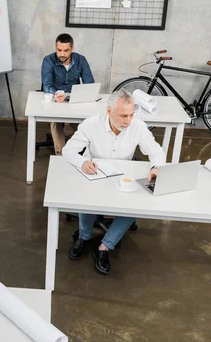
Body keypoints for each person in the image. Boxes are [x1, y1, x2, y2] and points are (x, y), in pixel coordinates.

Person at [62, 89, 165, 275]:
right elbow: (68, 150)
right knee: (86, 195)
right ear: (109, 111)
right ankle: (84, 237)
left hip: (123, 174)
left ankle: (104, 247)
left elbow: (157, 151)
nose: (128, 120)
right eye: (123, 115)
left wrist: (156, 167)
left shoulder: (138, 126)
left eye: (132, 115)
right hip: (95, 172)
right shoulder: (91, 124)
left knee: (137, 202)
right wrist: (82, 162)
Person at [41, 33, 95, 155]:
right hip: (56, 99)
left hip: (74, 99)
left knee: (87, 124)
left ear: (72, 49)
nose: (62, 54)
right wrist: (56, 93)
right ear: (55, 47)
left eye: (66, 50)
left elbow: (89, 83)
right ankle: (61, 155)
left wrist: (83, 94)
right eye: (59, 50)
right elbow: (47, 85)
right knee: (55, 120)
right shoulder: (48, 60)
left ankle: (86, 154)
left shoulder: (81, 60)